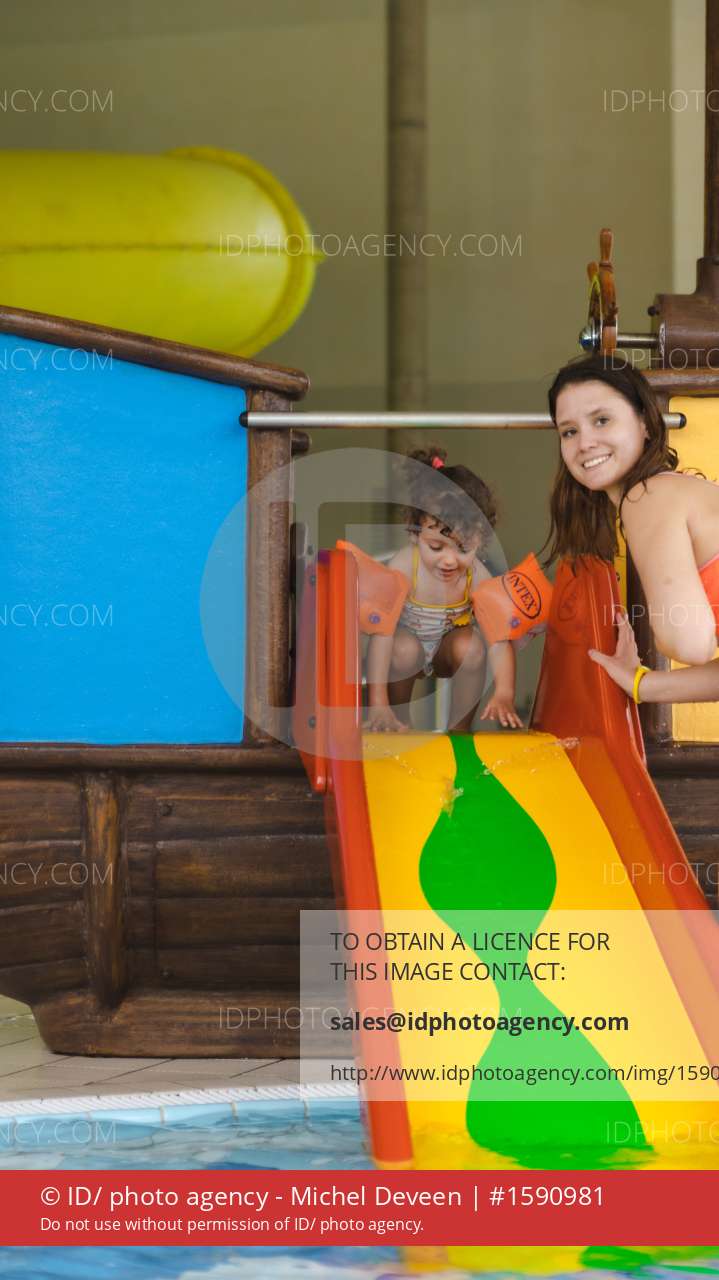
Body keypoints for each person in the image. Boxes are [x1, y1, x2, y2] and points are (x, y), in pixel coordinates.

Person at [546, 354, 719, 705]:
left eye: (602, 420)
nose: (585, 443)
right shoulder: (667, 492)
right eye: (569, 431)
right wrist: (640, 683)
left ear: (645, 423)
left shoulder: (648, 497)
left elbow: (690, 644)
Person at [365, 447, 521, 733]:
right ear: (415, 533)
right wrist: (378, 703)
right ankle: (397, 721)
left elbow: (499, 640)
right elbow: (382, 634)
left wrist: (504, 692)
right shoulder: (404, 566)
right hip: (407, 650)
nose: (449, 561)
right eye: (436, 547)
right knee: (402, 648)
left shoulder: (477, 576)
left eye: (463, 548)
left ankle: (459, 729)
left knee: (473, 647)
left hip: (449, 651)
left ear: (481, 540)